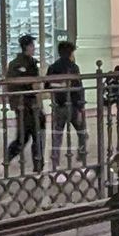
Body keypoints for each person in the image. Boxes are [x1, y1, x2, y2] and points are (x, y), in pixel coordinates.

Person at [3, 34, 44, 172]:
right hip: (25, 104)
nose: (34, 48)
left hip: (28, 104)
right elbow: (15, 84)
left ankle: (38, 164)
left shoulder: (28, 63)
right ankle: (10, 157)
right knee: (26, 137)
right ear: (26, 47)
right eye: (32, 45)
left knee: (32, 135)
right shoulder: (21, 64)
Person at [45, 39, 86, 168]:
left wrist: (58, 86)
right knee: (82, 132)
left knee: (57, 135)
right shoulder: (73, 67)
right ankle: (81, 158)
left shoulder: (53, 67)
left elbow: (47, 85)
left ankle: (55, 162)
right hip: (73, 106)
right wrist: (81, 107)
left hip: (58, 105)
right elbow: (78, 89)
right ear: (70, 53)